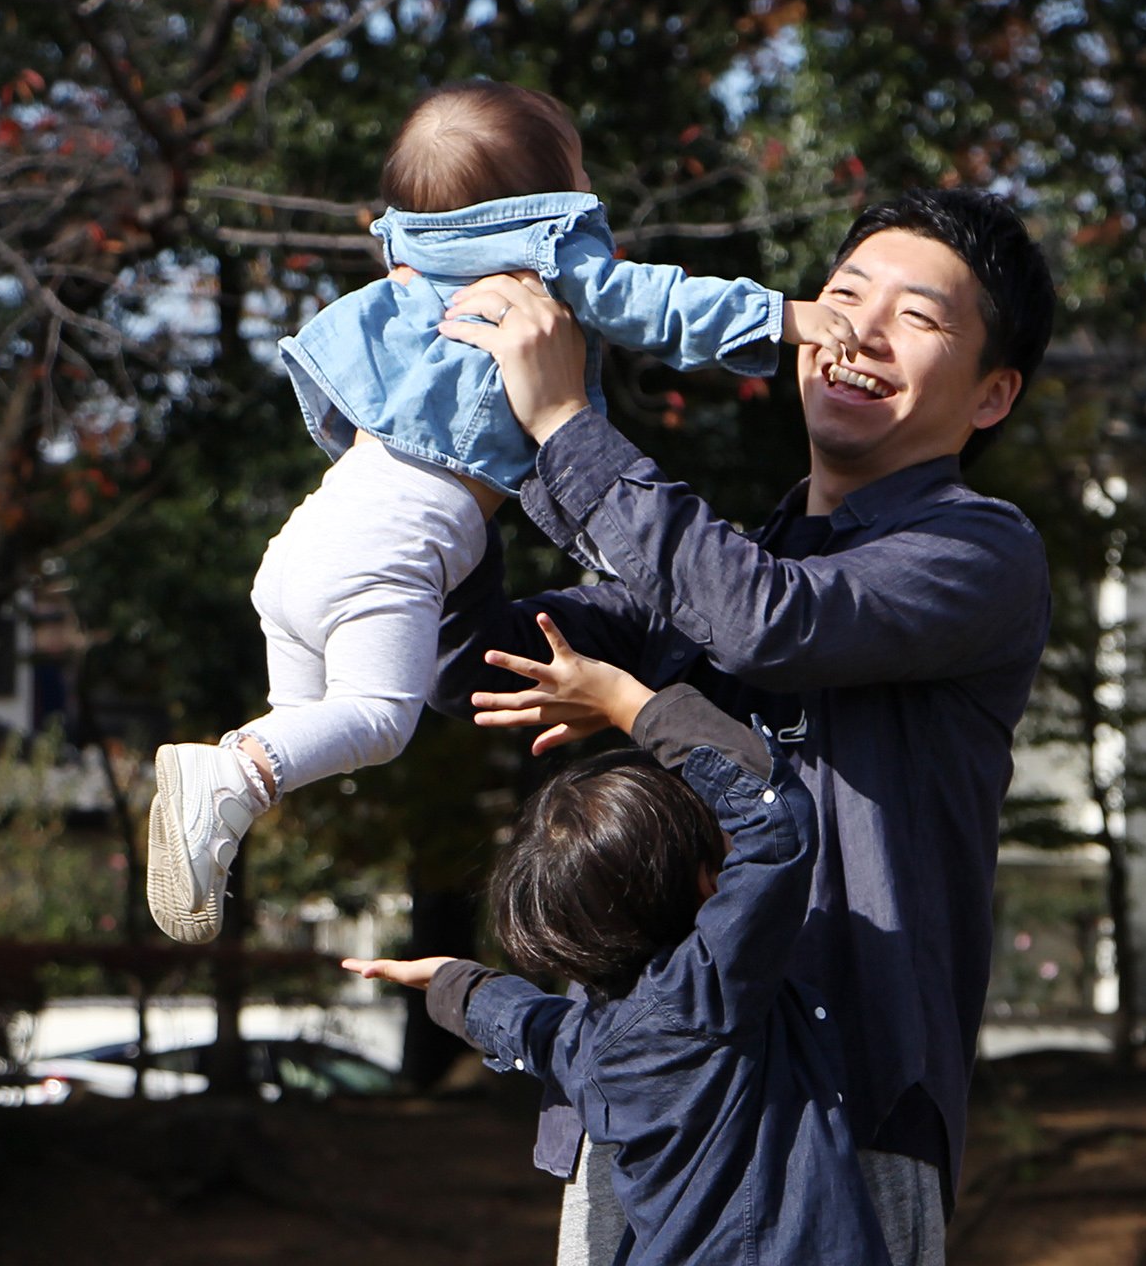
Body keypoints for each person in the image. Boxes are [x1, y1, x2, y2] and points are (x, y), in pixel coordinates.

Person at [430, 188, 1057, 1266]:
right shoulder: (723, 561)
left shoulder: (980, 550)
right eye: (845, 295)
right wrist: (446, 452)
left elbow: (771, 623)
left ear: (992, 393)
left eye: (918, 316)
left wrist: (565, 424)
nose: (858, 329)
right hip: (647, 1103)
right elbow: (466, 657)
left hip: (842, 1114)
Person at [146, 79, 856, 944]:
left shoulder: (412, 258)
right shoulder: (549, 257)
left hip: (307, 539)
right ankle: (234, 775)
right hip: (391, 554)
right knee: (373, 721)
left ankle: (222, 802)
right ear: (546, 195)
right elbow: (660, 304)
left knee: (304, 724)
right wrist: (783, 316)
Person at [344, 614, 888, 1265]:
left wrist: (453, 985)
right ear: (702, 884)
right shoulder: (705, 994)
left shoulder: (598, 1040)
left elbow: (534, 1030)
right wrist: (628, 703)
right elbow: (776, 822)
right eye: (719, 841)